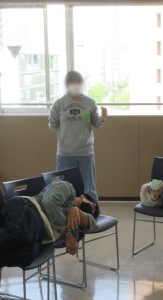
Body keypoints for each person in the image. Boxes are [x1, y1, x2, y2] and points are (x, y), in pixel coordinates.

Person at [49, 71, 107, 203]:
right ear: (66, 85)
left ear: (82, 84)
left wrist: (103, 118)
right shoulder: (59, 104)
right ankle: (65, 213)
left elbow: (95, 123)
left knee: (89, 187)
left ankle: (92, 211)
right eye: (72, 83)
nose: (75, 86)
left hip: (85, 152)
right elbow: (53, 126)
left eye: (78, 83)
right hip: (65, 153)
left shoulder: (89, 103)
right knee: (62, 187)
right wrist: (66, 129)